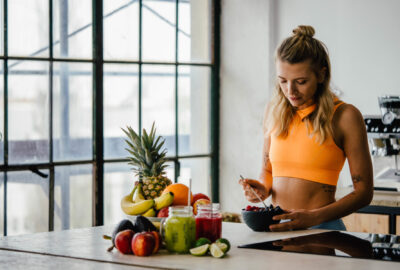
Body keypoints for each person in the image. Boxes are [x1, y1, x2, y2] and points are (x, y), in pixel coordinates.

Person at [239, 25, 373, 231]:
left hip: (321, 230)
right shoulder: (273, 111)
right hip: (275, 231)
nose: (290, 91)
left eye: (300, 82)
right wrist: (262, 189)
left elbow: (364, 193)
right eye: (282, 81)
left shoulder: (345, 116)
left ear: (321, 75)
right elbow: (267, 171)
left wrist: (313, 217)